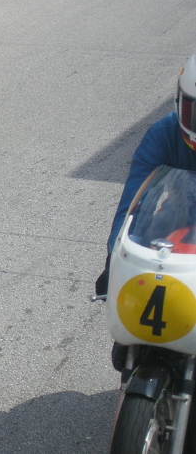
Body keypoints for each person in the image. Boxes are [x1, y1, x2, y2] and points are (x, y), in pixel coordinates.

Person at [96, 54, 196, 370]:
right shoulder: (161, 134)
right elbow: (131, 209)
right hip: (178, 219)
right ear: (180, 103)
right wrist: (115, 262)